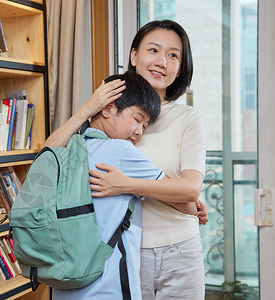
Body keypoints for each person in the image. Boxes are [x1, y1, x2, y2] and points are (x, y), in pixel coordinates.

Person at [46, 20, 207, 300]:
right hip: (127, 249)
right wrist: (89, 108)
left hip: (180, 250)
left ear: (181, 67)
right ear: (134, 56)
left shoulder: (188, 119)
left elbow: (191, 191)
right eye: (153, 50)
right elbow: (48, 157)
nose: (162, 62)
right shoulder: (110, 112)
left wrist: (126, 184)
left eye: (173, 55)